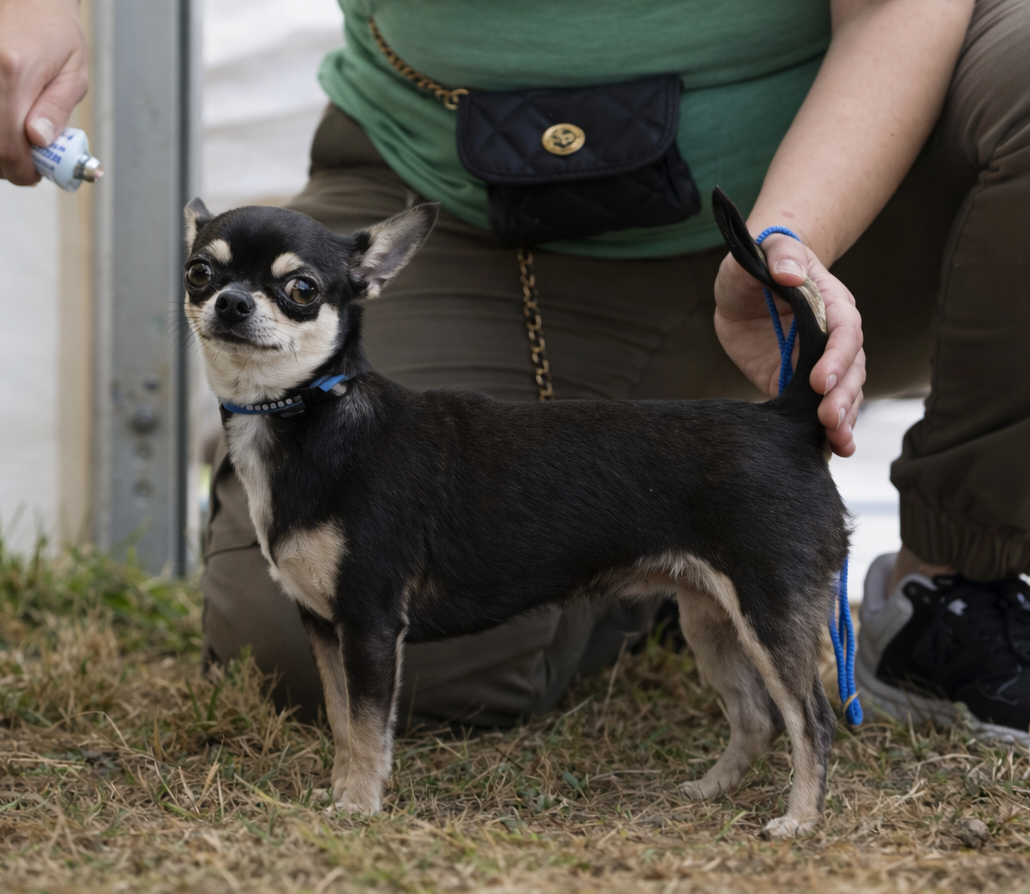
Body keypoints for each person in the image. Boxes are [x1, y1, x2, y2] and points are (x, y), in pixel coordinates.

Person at [3, 0, 1027, 743]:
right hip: (466, 206)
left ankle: (947, 587)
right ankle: (661, 549)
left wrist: (788, 241)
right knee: (320, 641)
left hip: (847, 202)